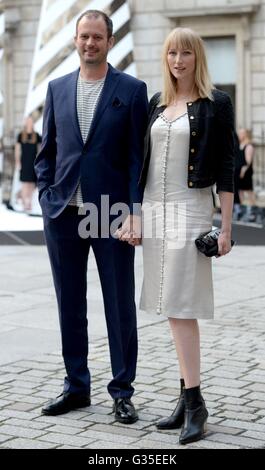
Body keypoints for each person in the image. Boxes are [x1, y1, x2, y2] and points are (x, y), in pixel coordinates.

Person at [35, 10, 148, 423]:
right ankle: (76, 386)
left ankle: (122, 391)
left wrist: (135, 213)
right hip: (64, 211)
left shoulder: (132, 90)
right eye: (84, 36)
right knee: (70, 303)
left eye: (97, 37)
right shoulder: (57, 88)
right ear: (75, 41)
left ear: (110, 40)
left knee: (119, 305)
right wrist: (46, 194)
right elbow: (46, 150)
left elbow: (138, 160)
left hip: (111, 214)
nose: (89, 43)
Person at [139, 27, 235, 445]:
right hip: (155, 211)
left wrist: (226, 228)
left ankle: (196, 403)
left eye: (186, 53)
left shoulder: (216, 104)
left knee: (182, 306)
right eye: (171, 53)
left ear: (198, 57)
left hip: (191, 208)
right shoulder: (157, 104)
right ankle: (184, 396)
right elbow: (141, 162)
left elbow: (228, 165)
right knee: (169, 303)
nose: (178, 60)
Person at [14, 116, 41, 212]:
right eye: (28, 122)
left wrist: (39, 163)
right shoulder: (21, 135)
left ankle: (28, 200)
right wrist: (18, 162)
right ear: (25, 123)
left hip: (33, 163)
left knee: (32, 184)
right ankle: (25, 202)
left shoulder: (37, 136)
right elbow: (17, 150)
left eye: (31, 122)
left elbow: (40, 150)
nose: (29, 123)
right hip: (24, 162)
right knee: (25, 183)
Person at [238, 128, 255, 208]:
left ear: (245, 134)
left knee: (249, 191)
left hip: (246, 171)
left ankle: (253, 209)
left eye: (241, 133)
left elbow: (248, 161)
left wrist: (243, 171)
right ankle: (241, 209)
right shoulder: (239, 145)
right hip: (239, 171)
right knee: (240, 191)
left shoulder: (249, 146)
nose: (239, 135)